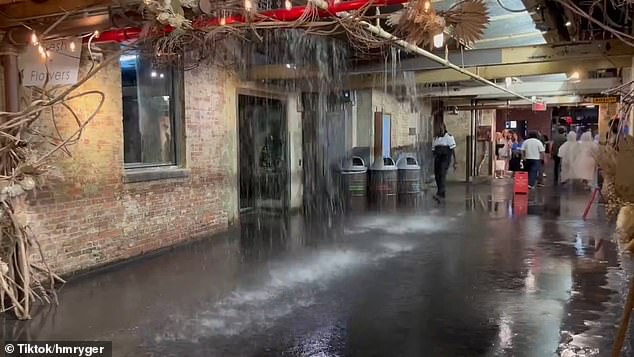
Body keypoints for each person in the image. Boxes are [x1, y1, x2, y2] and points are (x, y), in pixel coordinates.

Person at [432, 125, 456, 201]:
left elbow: (453, 149)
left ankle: (439, 193)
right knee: (437, 175)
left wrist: (455, 161)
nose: (440, 130)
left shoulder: (449, 137)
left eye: (441, 129)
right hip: (437, 158)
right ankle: (441, 191)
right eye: (439, 129)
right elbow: (433, 150)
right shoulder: (435, 138)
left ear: (444, 129)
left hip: (445, 158)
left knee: (442, 173)